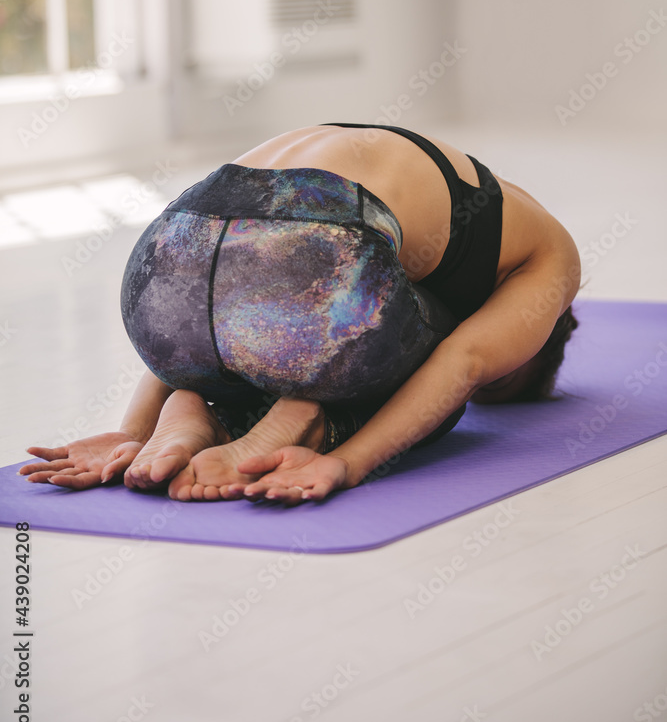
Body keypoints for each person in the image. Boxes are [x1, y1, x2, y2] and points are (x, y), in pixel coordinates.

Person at [19, 123, 582, 505]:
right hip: (313, 260)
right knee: (439, 386)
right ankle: (312, 419)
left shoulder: (392, 152)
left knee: (258, 309)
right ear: (540, 335)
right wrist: (348, 463)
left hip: (163, 261)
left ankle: (197, 404)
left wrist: (133, 431)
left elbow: (218, 279)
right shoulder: (555, 261)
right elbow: (467, 359)